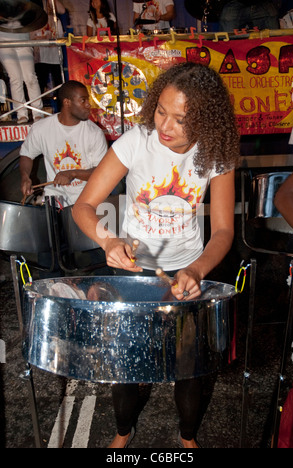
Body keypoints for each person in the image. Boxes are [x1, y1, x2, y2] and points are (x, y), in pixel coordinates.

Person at [72, 62, 240, 448]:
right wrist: (109, 241)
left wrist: (196, 271)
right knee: (127, 364)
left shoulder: (217, 151)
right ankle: (123, 430)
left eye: (180, 119)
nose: (165, 126)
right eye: (161, 111)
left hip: (188, 267)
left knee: (189, 367)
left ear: (205, 120)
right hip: (133, 269)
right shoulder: (136, 141)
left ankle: (187, 437)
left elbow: (225, 231)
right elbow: (84, 206)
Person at [19, 80, 108, 207]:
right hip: (55, 194)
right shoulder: (41, 128)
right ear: (67, 102)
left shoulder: (94, 133)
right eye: (83, 100)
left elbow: (102, 172)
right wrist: (25, 177)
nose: (88, 105)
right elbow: (27, 154)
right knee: (54, 224)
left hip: (87, 194)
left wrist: (73, 173)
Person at [0, 28, 43, 124]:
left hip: (23, 38)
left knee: (30, 77)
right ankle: (21, 113)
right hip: (3, 40)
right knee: (15, 78)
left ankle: (38, 112)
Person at [31, 0, 65, 101]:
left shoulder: (56, 20)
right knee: (40, 83)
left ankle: (61, 108)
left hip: (55, 57)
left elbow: (62, 10)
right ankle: (37, 109)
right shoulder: (36, 21)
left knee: (59, 84)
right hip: (41, 58)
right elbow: (31, 38)